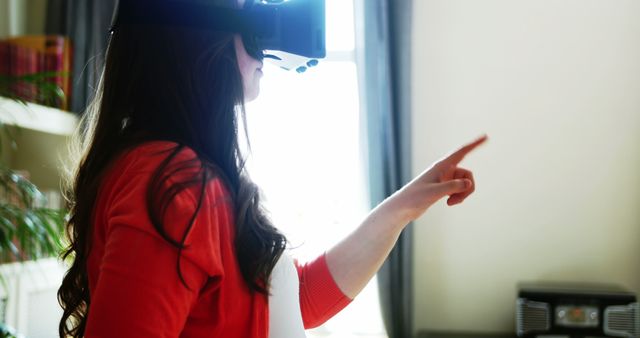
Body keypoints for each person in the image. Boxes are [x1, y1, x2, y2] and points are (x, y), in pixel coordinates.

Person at [57, 0, 487, 337]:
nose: (264, 38)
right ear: (195, 40)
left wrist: (403, 207)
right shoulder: (172, 182)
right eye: (248, 19)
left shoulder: (177, 174)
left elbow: (294, 301)